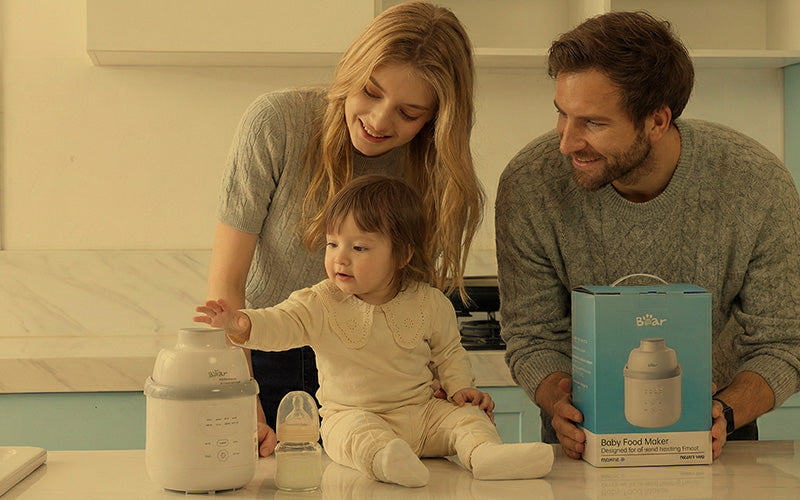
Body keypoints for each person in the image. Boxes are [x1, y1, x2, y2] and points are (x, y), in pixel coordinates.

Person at [495, 11, 800, 461]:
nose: (566, 142)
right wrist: (559, 401)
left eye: (593, 123)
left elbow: (783, 341)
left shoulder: (755, 184)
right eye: (562, 114)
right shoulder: (530, 183)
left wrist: (723, 413)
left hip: (718, 437)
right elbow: (533, 334)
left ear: (657, 121)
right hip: (578, 444)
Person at [207, 1, 484, 457]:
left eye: (409, 113)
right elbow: (226, 281)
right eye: (370, 92)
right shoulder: (277, 123)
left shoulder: (433, 166)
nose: (379, 121)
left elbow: (416, 295)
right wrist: (244, 401)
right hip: (268, 355)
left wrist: (443, 385)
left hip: (378, 374)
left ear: (436, 118)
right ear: (351, 70)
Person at [196, 176, 554, 487]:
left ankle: (486, 456)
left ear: (402, 255)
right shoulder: (320, 302)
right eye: (332, 243)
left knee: (468, 420)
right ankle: (386, 461)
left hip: (422, 413)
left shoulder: (429, 302)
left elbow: (449, 353)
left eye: (359, 247)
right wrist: (242, 324)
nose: (340, 257)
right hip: (352, 414)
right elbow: (282, 322)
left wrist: (461, 388)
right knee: (354, 436)